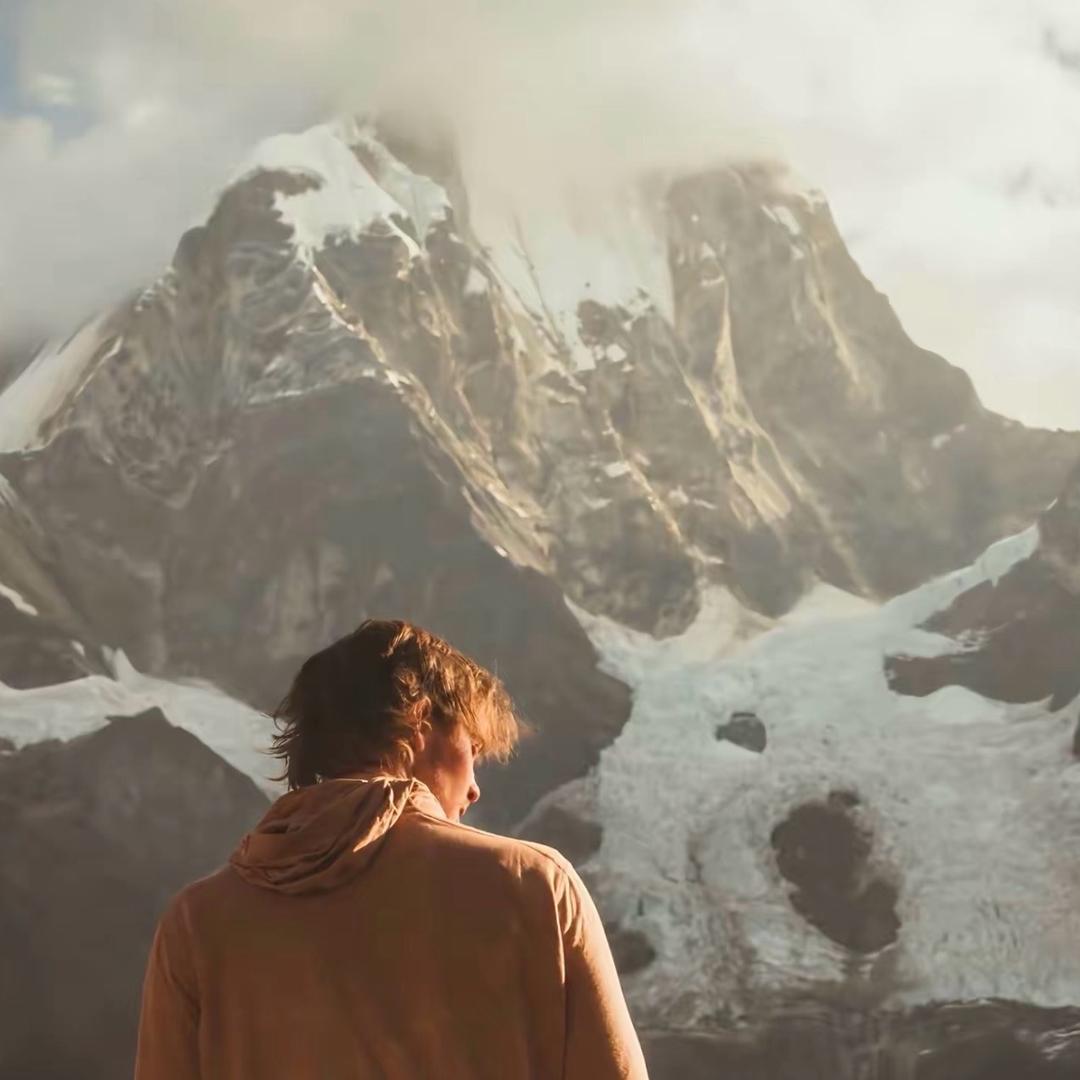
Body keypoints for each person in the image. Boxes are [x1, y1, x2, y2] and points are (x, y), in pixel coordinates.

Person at [135, 618, 649, 1079]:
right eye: (472, 748)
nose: (474, 788)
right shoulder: (532, 885)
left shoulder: (198, 923)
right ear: (421, 724)